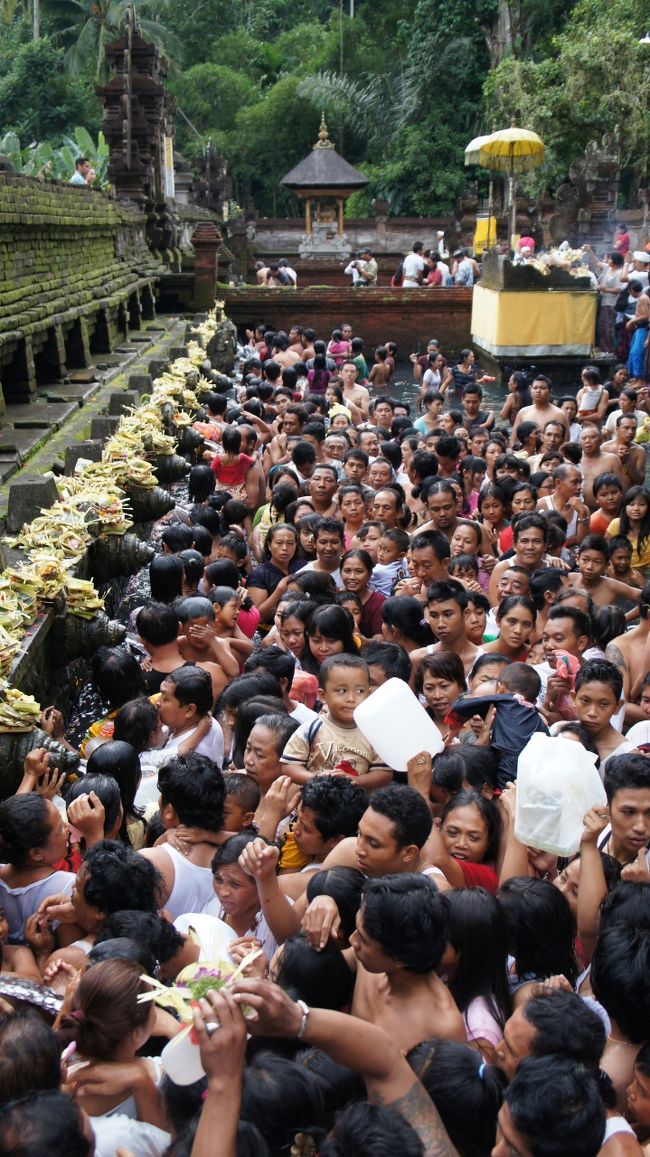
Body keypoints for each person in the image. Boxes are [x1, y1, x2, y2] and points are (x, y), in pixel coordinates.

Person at [280, 654, 392, 789]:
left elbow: (384, 774)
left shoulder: (373, 733)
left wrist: (358, 781)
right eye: (341, 691)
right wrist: (316, 778)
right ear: (323, 696)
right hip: (314, 804)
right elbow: (288, 767)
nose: (351, 698)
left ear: (368, 694)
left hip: (357, 806)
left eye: (359, 691)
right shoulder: (311, 729)